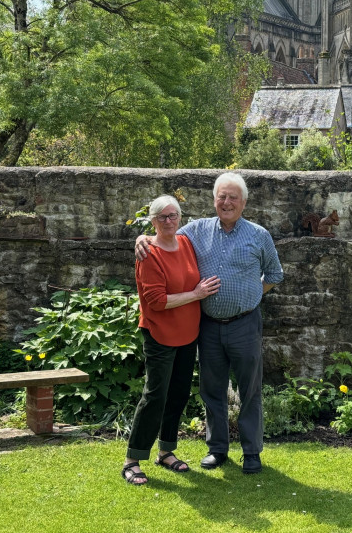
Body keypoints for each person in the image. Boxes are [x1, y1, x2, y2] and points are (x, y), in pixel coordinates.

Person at [135, 172, 283, 474]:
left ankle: (251, 452)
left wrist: (252, 294)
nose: (226, 202)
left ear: (243, 202)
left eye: (233, 197)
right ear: (214, 200)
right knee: (212, 390)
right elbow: (164, 232)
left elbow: (275, 275)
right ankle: (217, 450)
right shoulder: (196, 231)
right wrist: (142, 238)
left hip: (245, 324)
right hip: (208, 326)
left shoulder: (258, 235)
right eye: (222, 197)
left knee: (249, 391)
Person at [122, 195, 221, 486]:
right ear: (153, 221)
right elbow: (155, 301)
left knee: (177, 394)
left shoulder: (186, 242)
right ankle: (132, 460)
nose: (168, 221)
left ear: (180, 218)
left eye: (173, 215)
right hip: (160, 333)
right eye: (162, 217)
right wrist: (197, 294)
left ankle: (165, 451)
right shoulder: (148, 254)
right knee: (155, 395)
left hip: (188, 333)